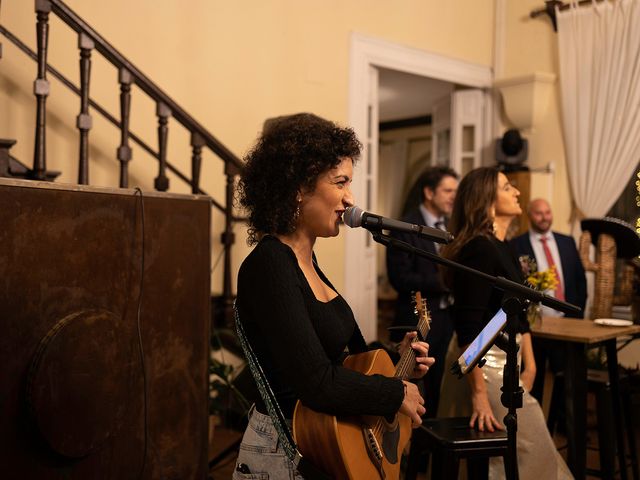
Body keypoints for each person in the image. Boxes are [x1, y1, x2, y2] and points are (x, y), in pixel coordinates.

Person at [233, 113, 435, 478]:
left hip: (324, 443)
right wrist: (395, 394)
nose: (349, 198)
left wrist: (398, 357)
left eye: (350, 183)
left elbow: (348, 359)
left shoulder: (307, 259)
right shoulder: (270, 264)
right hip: (285, 454)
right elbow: (317, 382)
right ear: (298, 187)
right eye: (340, 182)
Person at [439, 167, 572, 479]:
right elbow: (469, 328)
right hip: (481, 363)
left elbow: (518, 311)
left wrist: (532, 363)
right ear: (486, 199)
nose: (517, 192)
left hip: (508, 359)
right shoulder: (479, 248)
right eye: (507, 187)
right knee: (528, 448)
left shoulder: (506, 245)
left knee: (530, 450)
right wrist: (479, 395)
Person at [386, 166, 458, 417]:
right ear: (429, 192)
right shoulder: (405, 225)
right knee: (416, 394)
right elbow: (400, 277)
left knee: (440, 389)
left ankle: (431, 450)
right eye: (448, 190)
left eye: (455, 191)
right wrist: (444, 282)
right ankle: (411, 453)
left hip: (448, 319)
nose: (453, 196)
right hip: (416, 321)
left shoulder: (452, 226)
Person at [510, 198, 587, 407]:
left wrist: (576, 316)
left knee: (566, 379)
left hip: (567, 323)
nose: (544, 217)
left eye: (547, 212)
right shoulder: (516, 245)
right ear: (529, 215)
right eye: (538, 213)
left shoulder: (567, 241)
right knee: (536, 377)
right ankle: (535, 424)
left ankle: (562, 425)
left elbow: (580, 281)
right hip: (536, 327)